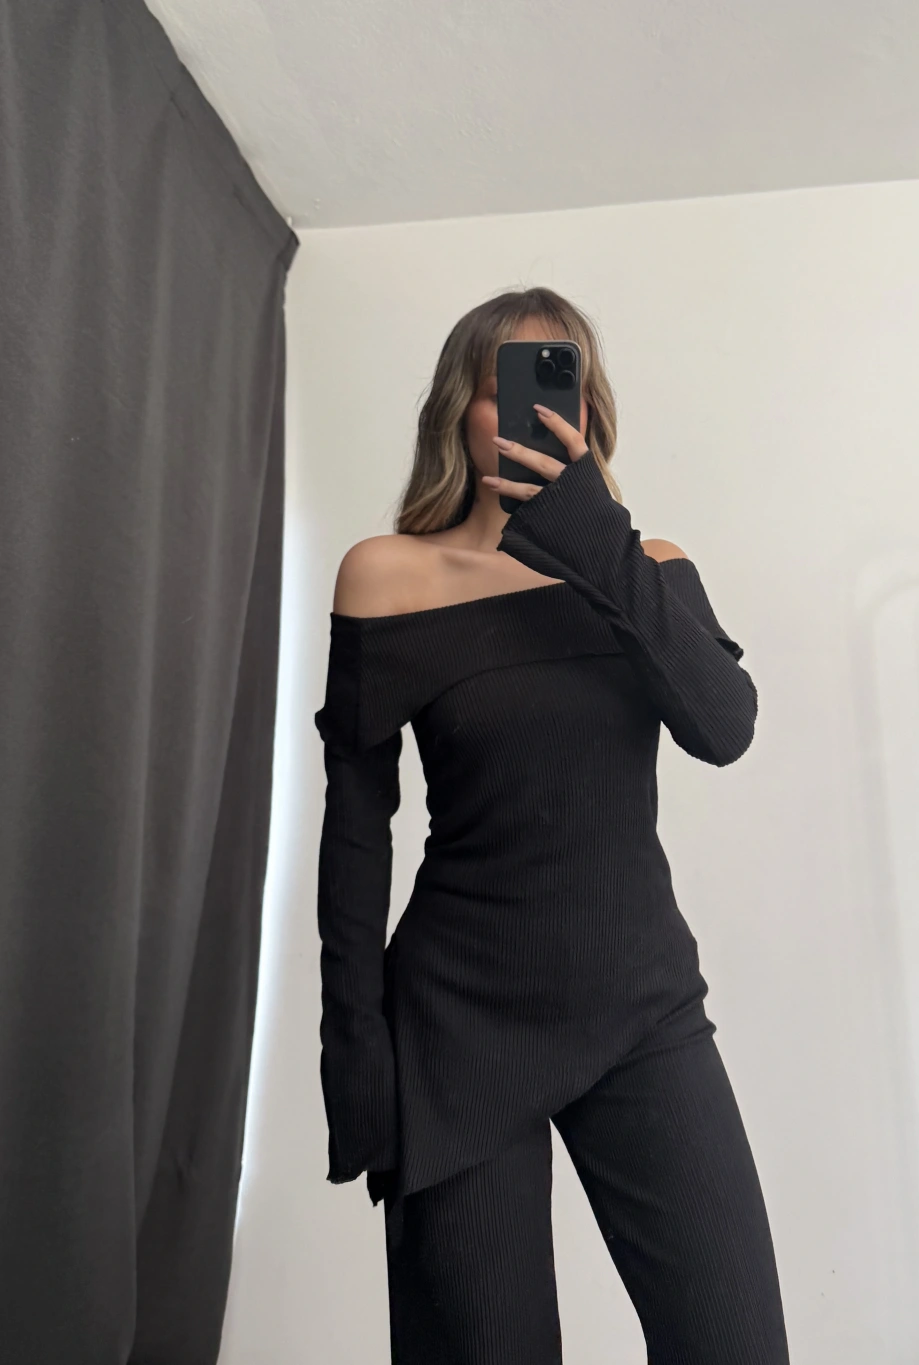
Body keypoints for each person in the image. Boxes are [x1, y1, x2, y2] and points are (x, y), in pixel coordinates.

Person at [314, 286, 789, 1364]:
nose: (532, 412)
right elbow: (355, 840)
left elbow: (723, 728)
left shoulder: (646, 569)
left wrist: (590, 534)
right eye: (506, 386)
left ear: (589, 409)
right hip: (458, 1021)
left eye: (555, 383)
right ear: (460, 410)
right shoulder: (388, 578)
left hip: (641, 1005)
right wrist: (355, 1051)